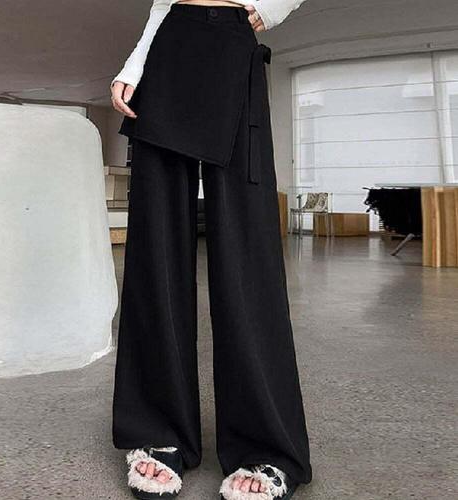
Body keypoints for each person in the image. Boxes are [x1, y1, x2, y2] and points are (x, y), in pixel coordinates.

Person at [110, 1, 312, 499]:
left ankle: (266, 446)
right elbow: (163, 4)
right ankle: (157, 431)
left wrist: (274, 5)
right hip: (169, 51)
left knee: (249, 255)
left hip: (233, 47)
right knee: (154, 255)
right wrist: (134, 63)